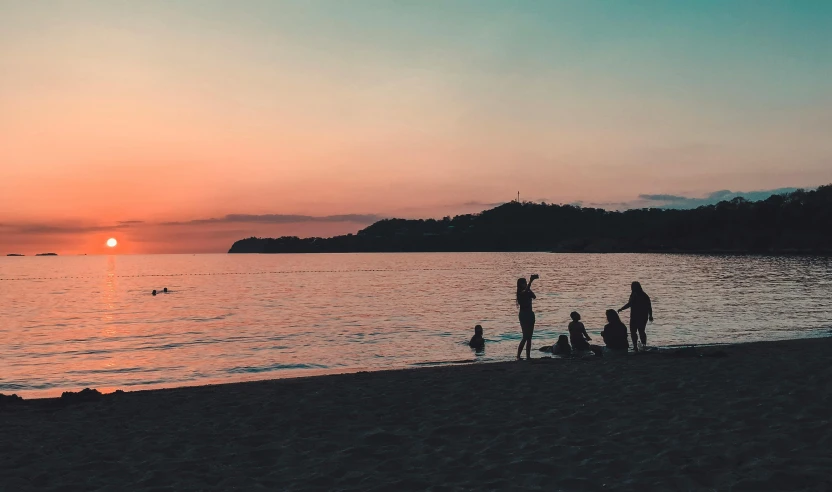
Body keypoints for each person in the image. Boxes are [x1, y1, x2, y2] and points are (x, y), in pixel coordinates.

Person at [618, 281, 653, 352]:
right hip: (642, 316)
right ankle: (642, 346)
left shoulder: (635, 295)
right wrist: (650, 315)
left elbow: (629, 304)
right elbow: (649, 306)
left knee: (634, 331)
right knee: (641, 331)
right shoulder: (644, 295)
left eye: (632, 286)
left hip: (636, 316)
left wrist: (622, 309)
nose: (631, 288)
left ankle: (636, 346)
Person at [516, 274, 539, 359]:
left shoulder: (527, 292)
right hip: (524, 315)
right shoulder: (520, 293)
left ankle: (528, 356)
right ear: (520, 284)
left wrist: (529, 288)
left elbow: (534, 296)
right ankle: (518, 355)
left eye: (525, 282)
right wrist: (531, 281)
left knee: (529, 337)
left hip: (530, 314)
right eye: (524, 283)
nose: (525, 284)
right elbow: (524, 292)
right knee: (525, 336)